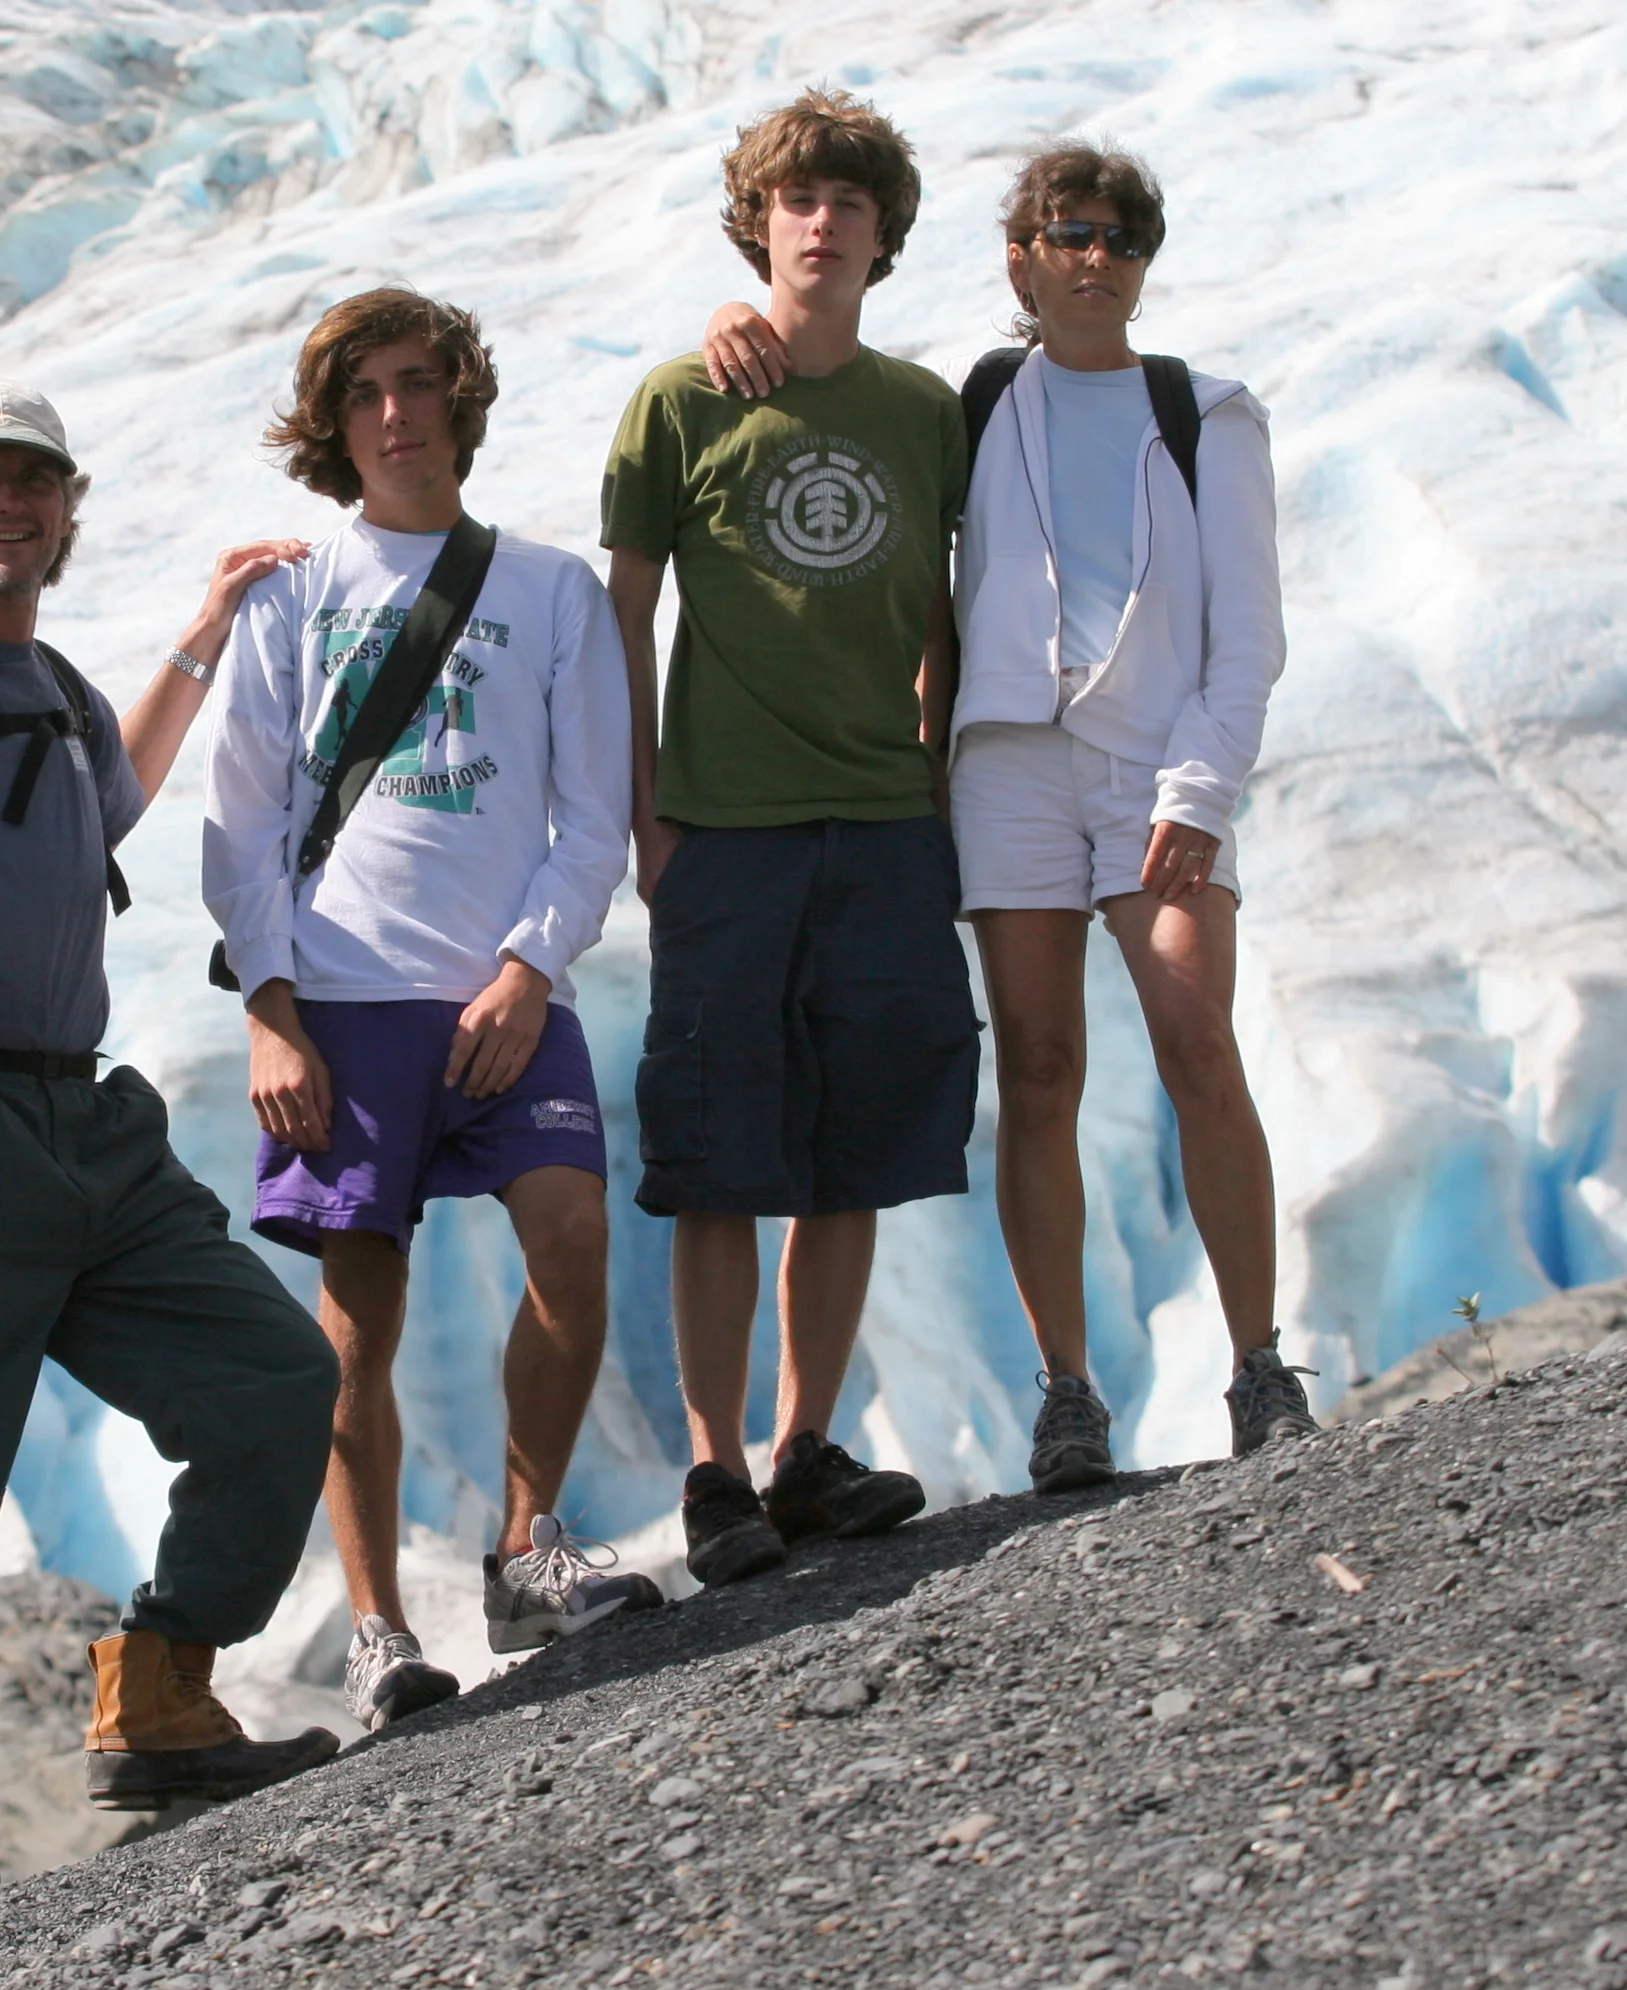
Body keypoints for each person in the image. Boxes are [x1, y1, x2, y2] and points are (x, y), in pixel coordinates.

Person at [0, 377, 341, 1941]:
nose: (5, 504)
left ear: (68, 508)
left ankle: (156, 1697)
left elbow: (115, 793)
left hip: (83, 1129)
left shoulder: (51, 686)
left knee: (274, 1382)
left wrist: (207, 631)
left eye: (33, 481)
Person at [700, 143, 1309, 1488]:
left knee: (1198, 1042)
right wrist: (734, 322)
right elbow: (833, 406)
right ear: (1020, 260)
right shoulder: (970, 406)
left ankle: (1261, 1365)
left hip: (1159, 769)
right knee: (1037, 1075)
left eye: (1121, 239)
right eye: (1069, 235)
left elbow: (1248, 636)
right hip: (1010, 769)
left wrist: (1203, 794)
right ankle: (1068, 1392)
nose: (1096, 259)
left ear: (1144, 263)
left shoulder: (1209, 413)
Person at [206, 288, 661, 1732]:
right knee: (356, 1321)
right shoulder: (295, 596)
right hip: (342, 994)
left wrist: (531, 968)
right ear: (335, 428)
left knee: (573, 1237)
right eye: (366, 396)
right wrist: (272, 1009)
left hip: (501, 987)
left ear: (461, 399)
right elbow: (237, 826)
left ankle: (530, 1553)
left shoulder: (548, 594)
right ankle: (381, 1634)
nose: (397, 415)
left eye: (418, 384)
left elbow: (596, 816)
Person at [597, 88, 976, 1589]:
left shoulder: (924, 411)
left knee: (850, 1151)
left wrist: (938, 792)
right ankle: (714, 1471)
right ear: (760, 222)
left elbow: (949, 620)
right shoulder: (680, 400)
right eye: (797, 200)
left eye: (849, 204)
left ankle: (807, 1450)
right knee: (715, 1161)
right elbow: (622, 620)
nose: (822, 222)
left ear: (884, 238)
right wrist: (646, 816)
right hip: (728, 831)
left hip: (885, 823)